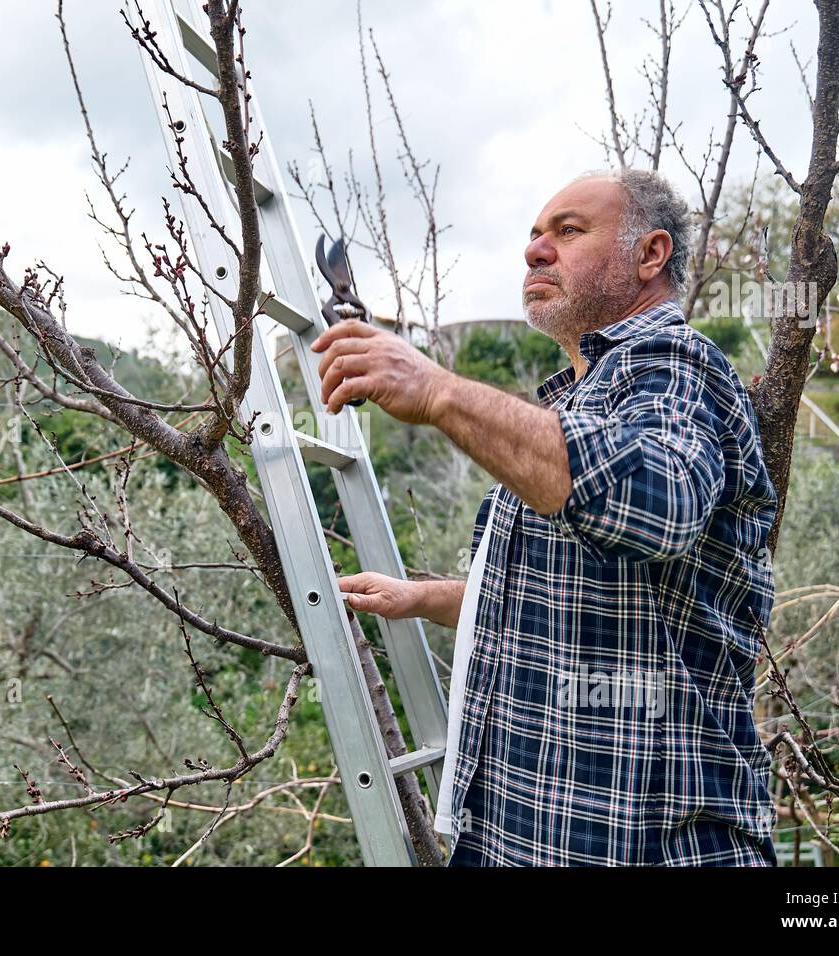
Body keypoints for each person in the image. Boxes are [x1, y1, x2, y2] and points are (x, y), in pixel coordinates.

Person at [311, 168, 778, 866]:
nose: (535, 250)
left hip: (647, 847)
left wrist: (438, 390)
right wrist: (425, 599)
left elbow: (659, 507)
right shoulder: (573, 409)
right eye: (533, 234)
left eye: (568, 231)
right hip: (522, 836)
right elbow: (572, 598)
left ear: (649, 255)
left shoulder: (678, 367)